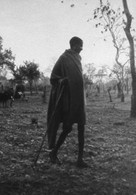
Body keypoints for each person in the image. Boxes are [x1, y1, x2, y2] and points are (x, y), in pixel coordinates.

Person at [47, 36, 88, 168]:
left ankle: (80, 160)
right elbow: (53, 77)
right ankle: (53, 153)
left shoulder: (78, 58)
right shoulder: (64, 58)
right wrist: (61, 80)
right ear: (73, 45)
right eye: (79, 46)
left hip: (80, 99)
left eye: (82, 46)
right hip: (69, 100)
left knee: (82, 127)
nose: (81, 49)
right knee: (67, 128)